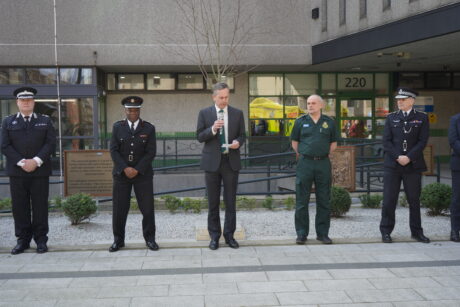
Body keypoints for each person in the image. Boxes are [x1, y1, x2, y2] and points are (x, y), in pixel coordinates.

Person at [1, 87, 56, 255]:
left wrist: (36, 161)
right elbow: (4, 145)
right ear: (17, 102)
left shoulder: (45, 121)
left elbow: (50, 144)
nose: (26, 103)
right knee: (19, 207)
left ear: (33, 102)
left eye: (29, 100)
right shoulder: (8, 122)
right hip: (17, 172)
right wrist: (22, 162)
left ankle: (41, 240)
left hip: (39, 171)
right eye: (22, 100)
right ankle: (22, 240)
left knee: (40, 206)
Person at [196, 82, 245, 250]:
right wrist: (213, 130)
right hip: (212, 164)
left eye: (227, 97)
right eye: (221, 97)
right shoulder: (204, 113)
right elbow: (200, 136)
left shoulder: (238, 113)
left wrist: (238, 142)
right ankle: (214, 237)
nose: (224, 100)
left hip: (230, 162)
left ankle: (230, 236)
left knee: (230, 202)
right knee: (213, 202)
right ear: (214, 97)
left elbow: (242, 135)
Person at [380, 87, 430, 243]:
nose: (399, 102)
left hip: (412, 165)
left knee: (414, 200)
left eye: (402, 99)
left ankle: (416, 232)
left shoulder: (422, 117)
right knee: (389, 200)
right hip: (393, 165)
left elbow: (422, 141)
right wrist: (398, 157)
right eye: (398, 99)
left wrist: (408, 157)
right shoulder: (391, 118)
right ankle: (386, 231)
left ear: (411, 100)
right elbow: (386, 141)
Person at [109, 96, 158, 252]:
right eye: (130, 109)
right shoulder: (118, 127)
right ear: (125, 110)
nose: (133, 112)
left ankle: (150, 239)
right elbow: (113, 150)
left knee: (148, 209)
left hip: (142, 174)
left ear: (139, 110)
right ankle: (118, 240)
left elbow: (151, 152)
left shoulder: (148, 128)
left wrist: (136, 169)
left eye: (136, 109)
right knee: (119, 209)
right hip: (121, 175)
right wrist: (125, 168)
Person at [290, 94, 337, 245]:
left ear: (321, 105)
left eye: (313, 103)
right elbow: (295, 142)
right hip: (305, 163)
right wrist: (304, 154)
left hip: (323, 163)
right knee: (302, 200)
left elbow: (333, 143)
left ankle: (322, 234)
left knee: (324, 199)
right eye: (308, 103)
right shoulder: (300, 122)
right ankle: (302, 233)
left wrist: (323, 154)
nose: (310, 106)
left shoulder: (329, 122)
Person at [448, 113, 460, 242]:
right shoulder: (455, 119)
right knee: (457, 198)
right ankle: (455, 230)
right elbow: (453, 140)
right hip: (459, 166)